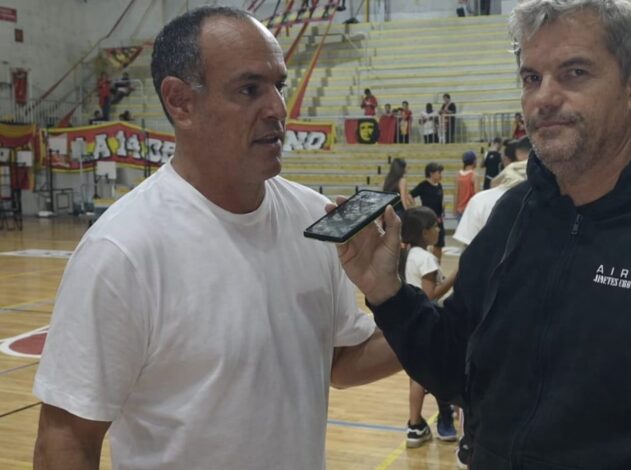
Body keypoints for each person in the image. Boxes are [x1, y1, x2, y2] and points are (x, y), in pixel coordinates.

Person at [335, 0, 631, 468]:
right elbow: (455, 370)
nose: (543, 98)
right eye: (532, 77)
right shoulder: (512, 217)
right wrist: (388, 293)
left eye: (574, 73)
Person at [32, 7, 400, 470]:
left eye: (279, 86)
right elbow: (66, 440)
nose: (278, 109)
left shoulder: (314, 218)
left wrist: (431, 317)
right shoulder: (121, 251)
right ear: (181, 102)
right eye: (250, 89)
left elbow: (340, 362)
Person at [399, 207, 458, 447]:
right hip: (431, 322)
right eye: (435, 226)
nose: (439, 229)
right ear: (424, 232)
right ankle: (446, 420)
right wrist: (455, 277)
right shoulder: (426, 259)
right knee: (442, 372)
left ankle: (415, 426)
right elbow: (429, 295)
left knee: (417, 376)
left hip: (411, 322)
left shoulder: (407, 255)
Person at [455, 138, 531, 246]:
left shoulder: (480, 200)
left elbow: (469, 248)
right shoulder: (551, 197)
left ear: (505, 159)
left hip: (466, 207)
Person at [410, 162, 446, 261]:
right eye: (439, 172)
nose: (441, 175)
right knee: (425, 243)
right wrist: (415, 207)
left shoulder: (439, 185)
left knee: (439, 245)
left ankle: (437, 266)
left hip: (438, 219)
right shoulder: (423, 185)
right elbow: (410, 195)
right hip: (427, 219)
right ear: (431, 173)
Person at [454, 150, 479, 221]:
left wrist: (455, 208)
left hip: (460, 209)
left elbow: (456, 194)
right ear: (474, 161)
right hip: (470, 210)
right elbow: (477, 195)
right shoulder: (474, 175)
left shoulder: (458, 175)